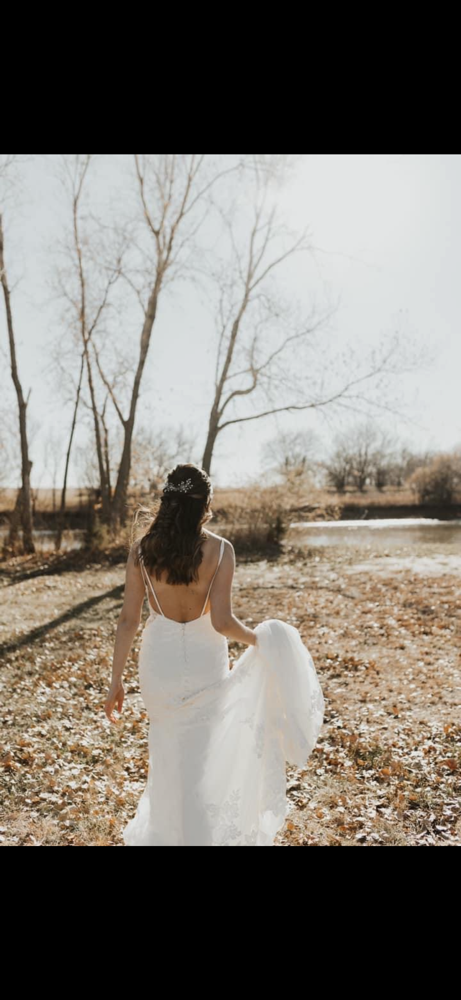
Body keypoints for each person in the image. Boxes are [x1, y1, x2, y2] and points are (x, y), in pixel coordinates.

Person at [105, 462, 325, 846]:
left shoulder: (142, 551)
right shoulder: (221, 550)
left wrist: (116, 680)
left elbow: (128, 620)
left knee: (168, 756)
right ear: (205, 504)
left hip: (159, 662)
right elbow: (222, 622)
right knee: (200, 760)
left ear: (167, 502)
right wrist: (260, 641)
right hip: (206, 660)